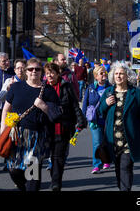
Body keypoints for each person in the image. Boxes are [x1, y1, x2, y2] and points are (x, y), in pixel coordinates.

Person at [0, 58, 61, 191]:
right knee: (13, 170)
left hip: (37, 138)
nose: (34, 71)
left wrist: (43, 106)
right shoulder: (16, 87)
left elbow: (56, 115)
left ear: (41, 72)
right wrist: (2, 130)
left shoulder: (48, 91)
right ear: (26, 71)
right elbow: (6, 109)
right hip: (15, 135)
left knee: (32, 174)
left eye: (37, 69)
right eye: (31, 69)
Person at [98, 62, 140, 191]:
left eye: (121, 73)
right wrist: (105, 104)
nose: (118, 76)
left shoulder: (135, 93)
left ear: (127, 76)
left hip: (129, 138)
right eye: (116, 74)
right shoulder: (108, 92)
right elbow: (100, 111)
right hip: (113, 139)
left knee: (126, 167)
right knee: (118, 168)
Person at [44, 62, 87, 191]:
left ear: (58, 74)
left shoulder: (66, 86)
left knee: (59, 157)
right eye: (47, 73)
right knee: (47, 156)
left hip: (62, 127)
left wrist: (80, 120)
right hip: (46, 128)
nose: (50, 75)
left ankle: (56, 182)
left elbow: (74, 105)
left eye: (52, 72)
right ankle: (45, 178)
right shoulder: (42, 87)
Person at [82, 65, 111, 174]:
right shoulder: (90, 88)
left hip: (107, 120)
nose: (104, 75)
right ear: (96, 77)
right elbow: (85, 104)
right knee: (97, 142)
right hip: (94, 120)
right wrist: (83, 120)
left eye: (105, 73)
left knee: (107, 141)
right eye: (101, 73)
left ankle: (107, 160)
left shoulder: (110, 87)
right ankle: (97, 165)